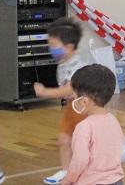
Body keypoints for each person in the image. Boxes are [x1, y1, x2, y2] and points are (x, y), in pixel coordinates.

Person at [34, 18, 87, 184]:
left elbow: (69, 89)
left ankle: (117, 145)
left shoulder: (78, 64)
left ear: (69, 47)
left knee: (86, 144)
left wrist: (45, 92)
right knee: (64, 140)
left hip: (85, 111)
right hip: (72, 108)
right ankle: (66, 172)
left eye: (54, 45)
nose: (51, 49)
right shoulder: (63, 62)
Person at [63, 64, 124, 185]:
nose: (72, 100)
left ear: (84, 101)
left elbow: (80, 159)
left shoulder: (84, 127)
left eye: (74, 97)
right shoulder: (113, 120)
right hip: (116, 180)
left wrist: (69, 178)